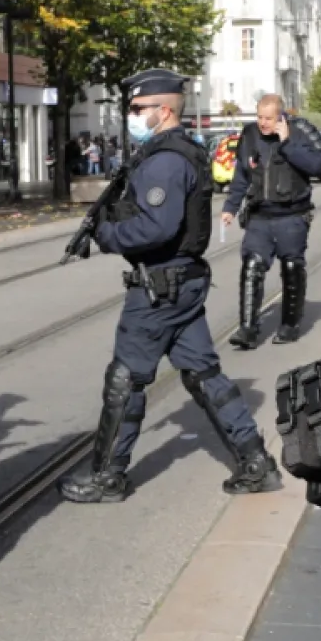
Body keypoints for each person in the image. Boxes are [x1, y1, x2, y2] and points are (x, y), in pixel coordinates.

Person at [58, 69, 281, 504]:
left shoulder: (164, 160)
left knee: (125, 379)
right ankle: (255, 462)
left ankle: (107, 476)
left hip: (159, 287)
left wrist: (107, 234)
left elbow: (155, 229)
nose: (132, 115)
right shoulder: (178, 151)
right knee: (203, 374)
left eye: (139, 109)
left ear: (163, 111)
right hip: (182, 282)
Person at [221, 95, 321, 348]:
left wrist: (287, 142)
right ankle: (248, 328)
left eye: (268, 118)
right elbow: (241, 175)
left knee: (291, 267)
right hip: (260, 215)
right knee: (251, 266)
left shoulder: (300, 133)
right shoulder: (249, 135)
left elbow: (318, 167)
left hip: (292, 215)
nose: (263, 123)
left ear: (281, 117)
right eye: (259, 117)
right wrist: (230, 207)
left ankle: (290, 325)